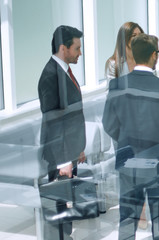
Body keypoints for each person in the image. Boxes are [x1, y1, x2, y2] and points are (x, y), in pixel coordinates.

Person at [102, 33, 159, 240]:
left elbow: (108, 124)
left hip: (128, 162)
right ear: (153, 56)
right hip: (158, 164)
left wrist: (125, 144)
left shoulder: (117, 86)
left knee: (127, 221)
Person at [38, 25, 86, 240]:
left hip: (69, 151)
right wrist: (63, 160)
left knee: (64, 209)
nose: (80, 54)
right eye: (77, 48)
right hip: (59, 155)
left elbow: (71, 116)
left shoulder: (64, 71)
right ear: (63, 48)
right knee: (56, 209)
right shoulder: (50, 76)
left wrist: (78, 149)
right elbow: (53, 122)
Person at [104, 21, 149, 229]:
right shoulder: (114, 64)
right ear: (125, 39)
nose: (137, 38)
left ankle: (141, 212)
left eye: (140, 34)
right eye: (133, 36)